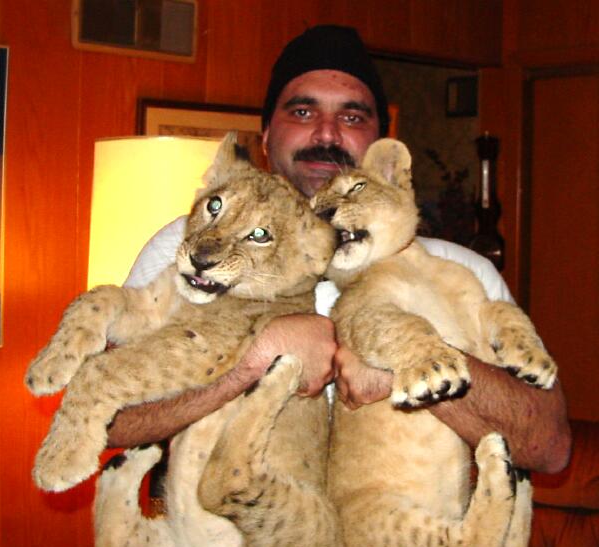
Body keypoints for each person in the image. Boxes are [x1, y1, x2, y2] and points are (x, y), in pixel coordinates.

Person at [108, 25, 570, 474]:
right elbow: (108, 421)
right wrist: (256, 360)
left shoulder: (460, 270)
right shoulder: (190, 249)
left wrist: (408, 360)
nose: (327, 135)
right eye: (302, 112)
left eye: (352, 117)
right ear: (266, 136)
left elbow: (548, 447)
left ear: (378, 143)